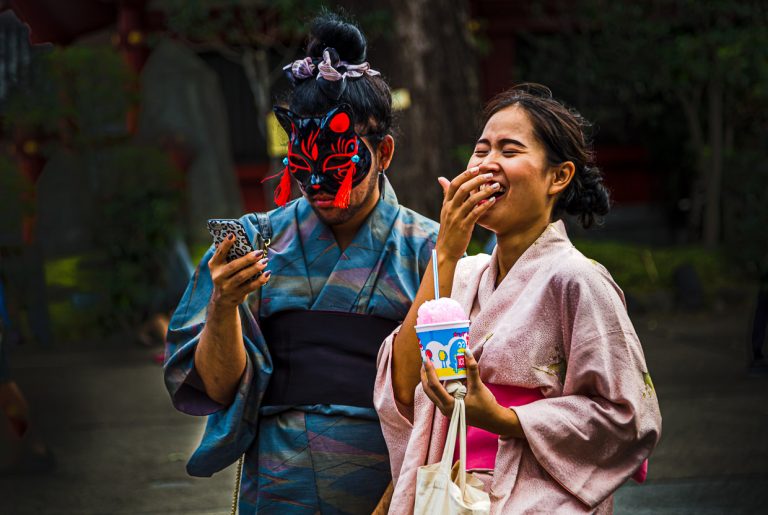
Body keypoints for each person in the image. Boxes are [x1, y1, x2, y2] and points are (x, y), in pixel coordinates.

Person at [163, 12, 439, 514]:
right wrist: (225, 304)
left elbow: (450, 393)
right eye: (305, 166)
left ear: (386, 153)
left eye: (341, 164)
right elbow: (217, 387)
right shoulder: (250, 243)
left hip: (393, 486)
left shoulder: (429, 251)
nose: (324, 186)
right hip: (278, 486)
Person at [375, 84, 662, 513]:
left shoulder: (577, 279)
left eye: (509, 151)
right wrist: (449, 251)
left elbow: (627, 416)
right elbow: (401, 387)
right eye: (481, 150)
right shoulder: (463, 273)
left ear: (558, 176)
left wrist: (504, 419)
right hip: (448, 493)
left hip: (535, 497)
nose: (487, 164)